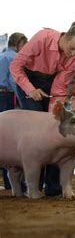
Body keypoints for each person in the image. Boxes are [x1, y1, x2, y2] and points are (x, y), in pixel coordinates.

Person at [10, 19, 75, 196]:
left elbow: (59, 87)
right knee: (36, 131)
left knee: (55, 129)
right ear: (65, 37)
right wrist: (31, 90)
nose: (74, 53)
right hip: (27, 80)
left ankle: (53, 187)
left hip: (51, 84)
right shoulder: (42, 38)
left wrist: (55, 112)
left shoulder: (74, 56)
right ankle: (33, 187)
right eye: (72, 48)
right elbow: (15, 66)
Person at [0, 32, 28, 190]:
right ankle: (11, 183)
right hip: (5, 96)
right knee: (7, 138)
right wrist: (24, 103)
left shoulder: (2, 56)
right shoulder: (14, 58)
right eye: (25, 45)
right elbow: (15, 82)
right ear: (19, 43)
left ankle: (8, 182)